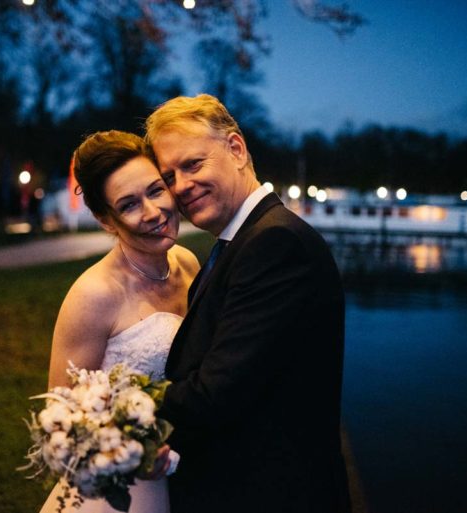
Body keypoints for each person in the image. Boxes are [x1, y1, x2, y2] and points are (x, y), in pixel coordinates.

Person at [144, 95, 351, 513]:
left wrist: (117, 412)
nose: (181, 186)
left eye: (193, 164)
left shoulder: (275, 244)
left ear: (236, 149)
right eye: (169, 175)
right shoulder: (244, 241)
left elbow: (216, 393)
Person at [39, 130, 199, 513]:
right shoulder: (95, 294)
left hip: (190, 478)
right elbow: (61, 422)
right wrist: (134, 453)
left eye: (156, 190)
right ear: (105, 220)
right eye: (128, 205)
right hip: (122, 495)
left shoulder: (189, 263)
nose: (153, 212)